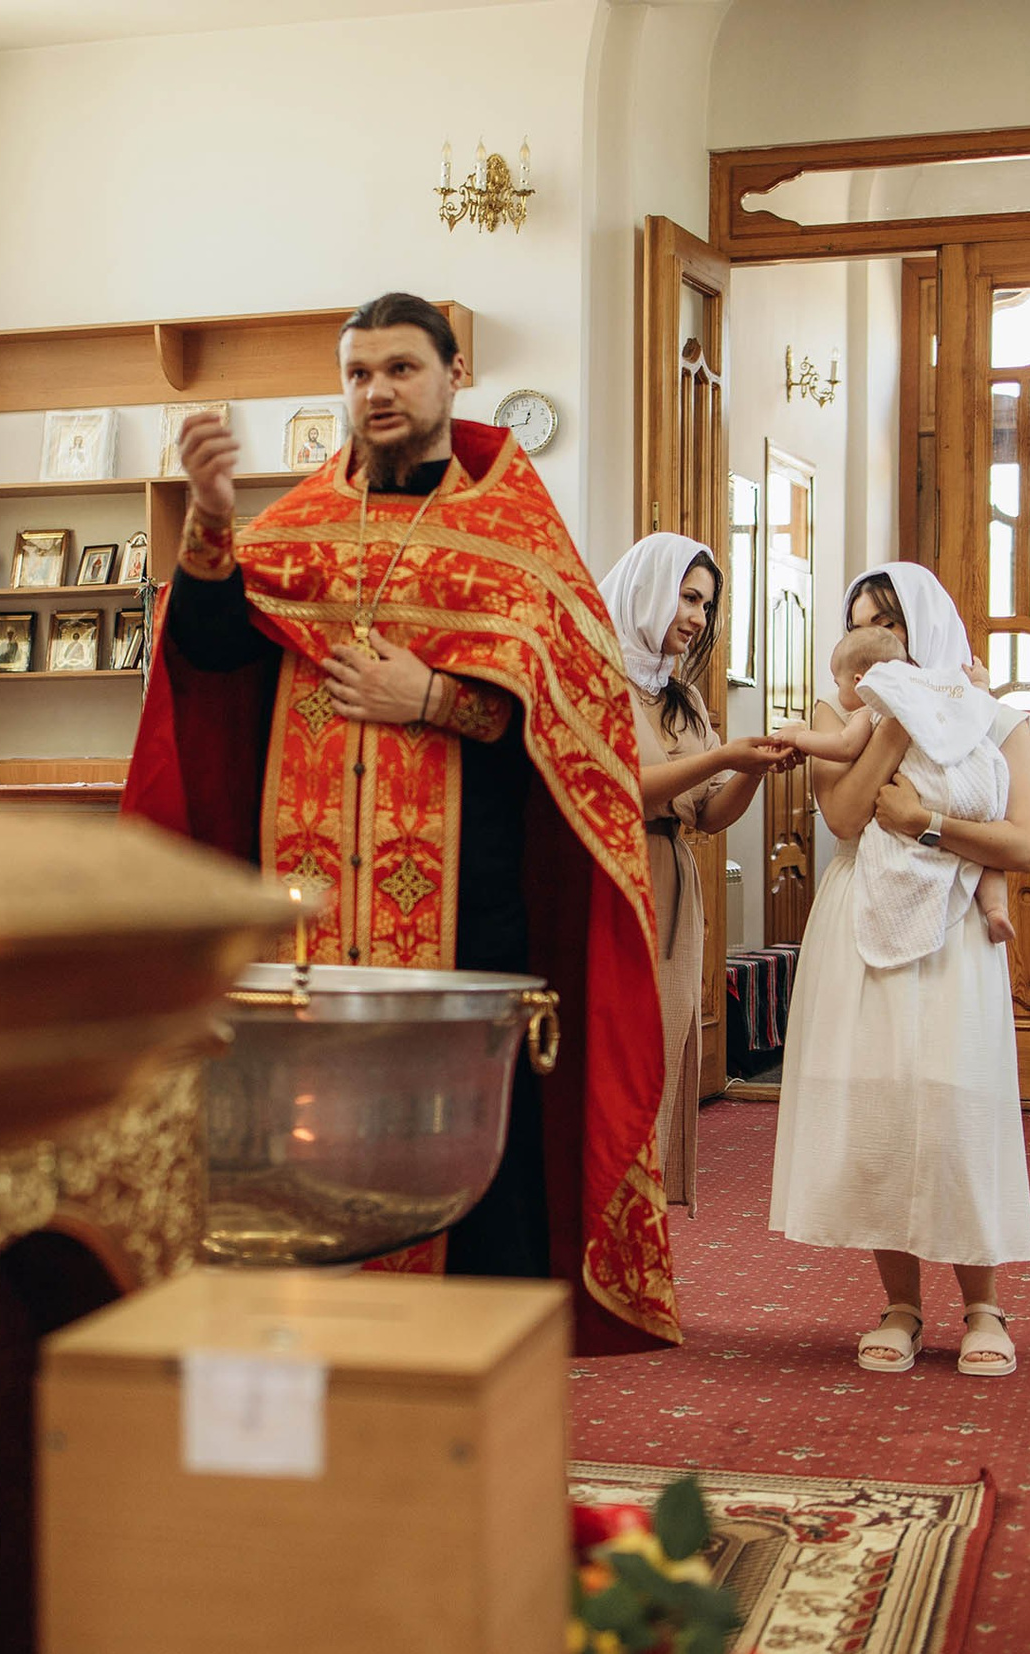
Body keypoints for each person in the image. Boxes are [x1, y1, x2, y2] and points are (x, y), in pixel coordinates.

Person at [124, 292, 678, 1353]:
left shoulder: (518, 539)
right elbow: (214, 657)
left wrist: (434, 699)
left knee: (476, 1178)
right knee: (303, 1161)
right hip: (308, 919)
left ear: (454, 375)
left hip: (471, 918)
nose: (376, 392)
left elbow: (573, 735)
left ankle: (478, 1399)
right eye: (358, 373)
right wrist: (210, 521)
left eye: (399, 369)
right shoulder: (296, 527)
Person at [769, 562, 1030, 1377]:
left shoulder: (994, 715)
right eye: (859, 624)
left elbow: (1023, 844)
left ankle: (984, 1305)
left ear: (923, 623)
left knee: (956, 1103)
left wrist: (927, 822)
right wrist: (897, 714)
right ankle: (901, 1303)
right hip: (861, 916)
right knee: (880, 1104)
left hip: (955, 920)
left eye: (888, 621)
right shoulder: (848, 707)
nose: (875, 640)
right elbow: (845, 813)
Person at [595, 532, 793, 1211]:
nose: (697, 617)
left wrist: (753, 769)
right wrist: (725, 756)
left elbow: (708, 815)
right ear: (647, 590)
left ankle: (641, 1211)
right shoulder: (595, 677)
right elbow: (625, 785)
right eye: (687, 598)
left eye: (706, 605)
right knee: (612, 1052)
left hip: (672, 881)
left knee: (661, 1049)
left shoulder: (681, 698)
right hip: (612, 873)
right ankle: (602, 1205)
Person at [784, 623, 1016, 948]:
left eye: (838, 684)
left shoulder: (872, 707)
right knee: (981, 859)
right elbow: (973, 707)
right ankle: (996, 909)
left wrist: (799, 738)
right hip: (968, 788)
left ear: (859, 681)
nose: (836, 693)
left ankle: (922, 920)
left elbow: (845, 746)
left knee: (917, 854)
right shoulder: (938, 691)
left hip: (923, 793)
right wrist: (980, 682)